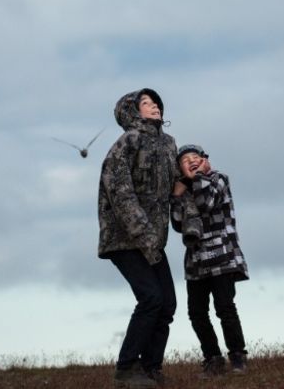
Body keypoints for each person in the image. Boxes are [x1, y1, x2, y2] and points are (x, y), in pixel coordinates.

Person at [98, 88, 180, 388]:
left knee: (167, 304)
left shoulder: (169, 145)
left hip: (153, 241)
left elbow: (174, 188)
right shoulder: (126, 142)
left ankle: (150, 369)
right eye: (146, 103)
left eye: (155, 101)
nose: (154, 105)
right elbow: (120, 192)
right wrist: (143, 233)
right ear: (132, 111)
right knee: (150, 298)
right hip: (124, 239)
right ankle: (126, 369)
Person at [170, 144, 250, 377]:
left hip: (222, 257)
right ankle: (213, 359)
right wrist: (176, 195)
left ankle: (237, 357)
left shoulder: (218, 179)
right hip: (196, 263)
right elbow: (177, 223)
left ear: (206, 161)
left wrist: (196, 178)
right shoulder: (183, 191)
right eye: (186, 160)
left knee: (225, 308)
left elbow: (206, 202)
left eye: (196, 157)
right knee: (196, 313)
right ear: (180, 169)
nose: (192, 161)